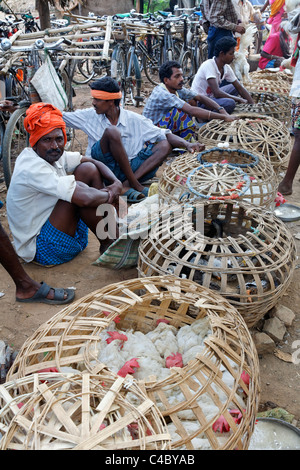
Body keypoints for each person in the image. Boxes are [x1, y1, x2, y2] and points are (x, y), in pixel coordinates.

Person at [6, 102, 123, 267]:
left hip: (63, 232)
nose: (54, 146)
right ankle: (110, 243)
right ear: (35, 142)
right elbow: (84, 199)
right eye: (47, 140)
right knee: (79, 195)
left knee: (87, 169)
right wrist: (112, 194)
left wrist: (115, 182)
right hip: (42, 247)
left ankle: (112, 235)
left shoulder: (52, 153)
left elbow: (92, 161)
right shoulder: (31, 167)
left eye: (59, 139)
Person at [63, 76, 204, 203]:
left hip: (130, 169)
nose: (93, 103)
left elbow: (164, 134)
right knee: (112, 132)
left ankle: (125, 185)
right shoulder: (89, 116)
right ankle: (134, 185)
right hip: (103, 168)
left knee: (165, 144)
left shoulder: (134, 119)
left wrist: (188, 144)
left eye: (97, 99)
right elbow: (60, 116)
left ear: (111, 101)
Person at [143, 61, 237, 141]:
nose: (182, 79)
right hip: (151, 135)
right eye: (177, 76)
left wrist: (220, 109)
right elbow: (191, 110)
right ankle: (186, 145)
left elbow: (199, 97)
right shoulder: (163, 94)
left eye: (182, 76)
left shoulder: (175, 88)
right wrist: (223, 117)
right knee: (180, 112)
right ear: (166, 80)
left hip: (162, 127)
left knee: (189, 100)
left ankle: (184, 138)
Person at [191, 36, 254, 114]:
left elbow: (239, 87)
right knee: (230, 103)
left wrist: (253, 105)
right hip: (201, 101)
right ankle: (203, 116)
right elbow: (217, 93)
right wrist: (238, 99)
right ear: (222, 54)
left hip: (211, 97)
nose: (233, 57)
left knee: (234, 87)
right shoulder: (209, 65)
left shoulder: (226, 67)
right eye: (231, 54)